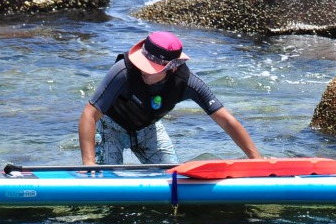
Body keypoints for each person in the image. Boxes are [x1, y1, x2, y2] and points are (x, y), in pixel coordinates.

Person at [79, 31, 263, 166]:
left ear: (172, 67)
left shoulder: (188, 83)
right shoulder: (123, 71)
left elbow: (227, 121)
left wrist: (256, 160)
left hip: (148, 129)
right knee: (104, 180)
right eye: (143, 64)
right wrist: (89, 163)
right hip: (111, 129)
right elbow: (89, 114)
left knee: (172, 176)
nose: (143, 70)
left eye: (151, 68)